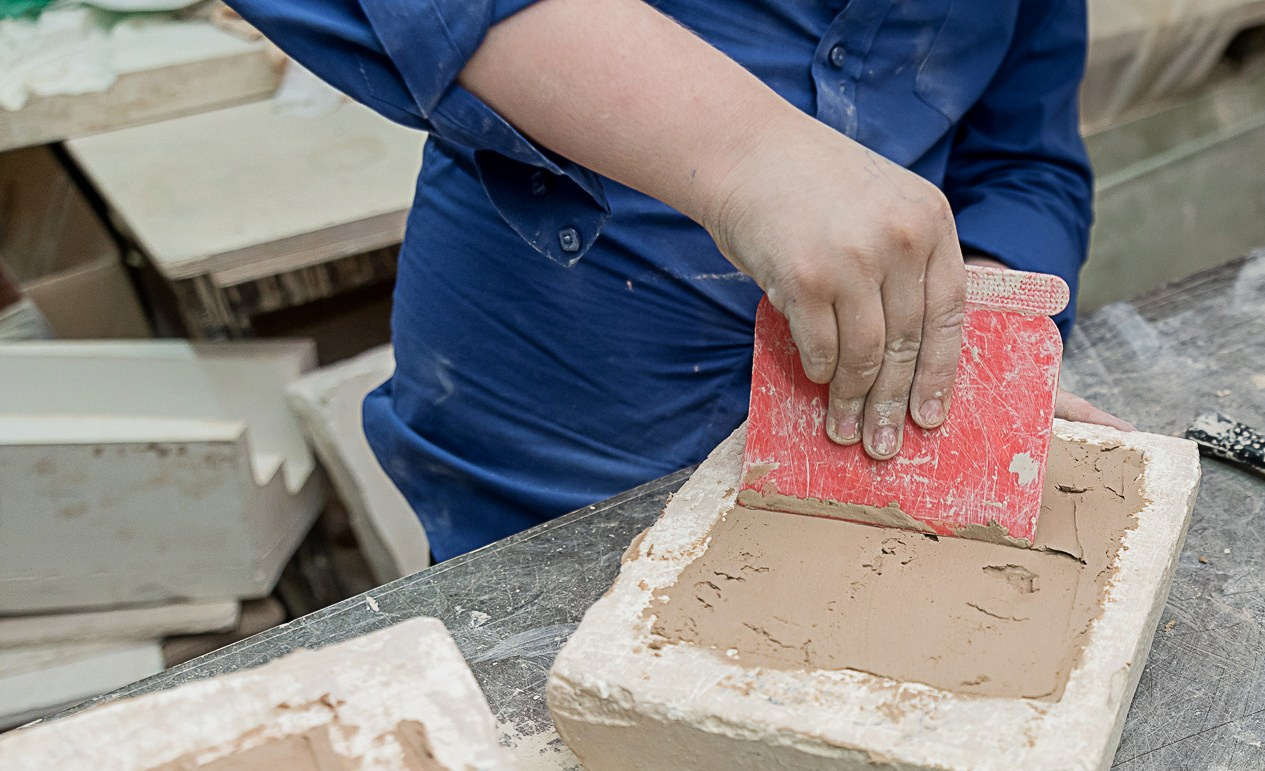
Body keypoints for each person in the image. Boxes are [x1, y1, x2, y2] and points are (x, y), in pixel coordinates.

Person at [230, 0, 1125, 559]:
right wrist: (749, 153)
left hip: (869, 433)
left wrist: (963, 312)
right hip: (568, 412)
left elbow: (1023, 162)